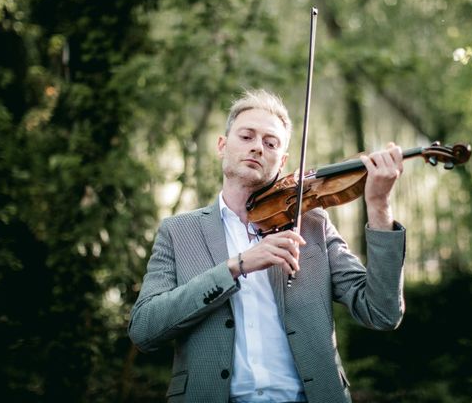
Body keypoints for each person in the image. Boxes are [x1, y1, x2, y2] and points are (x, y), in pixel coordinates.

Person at [128, 89, 407, 403]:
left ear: (283, 160)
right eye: (246, 137)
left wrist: (379, 206)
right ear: (222, 145)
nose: (257, 148)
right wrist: (235, 267)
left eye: (270, 142)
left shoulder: (312, 224)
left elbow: (382, 312)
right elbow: (144, 329)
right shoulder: (179, 231)